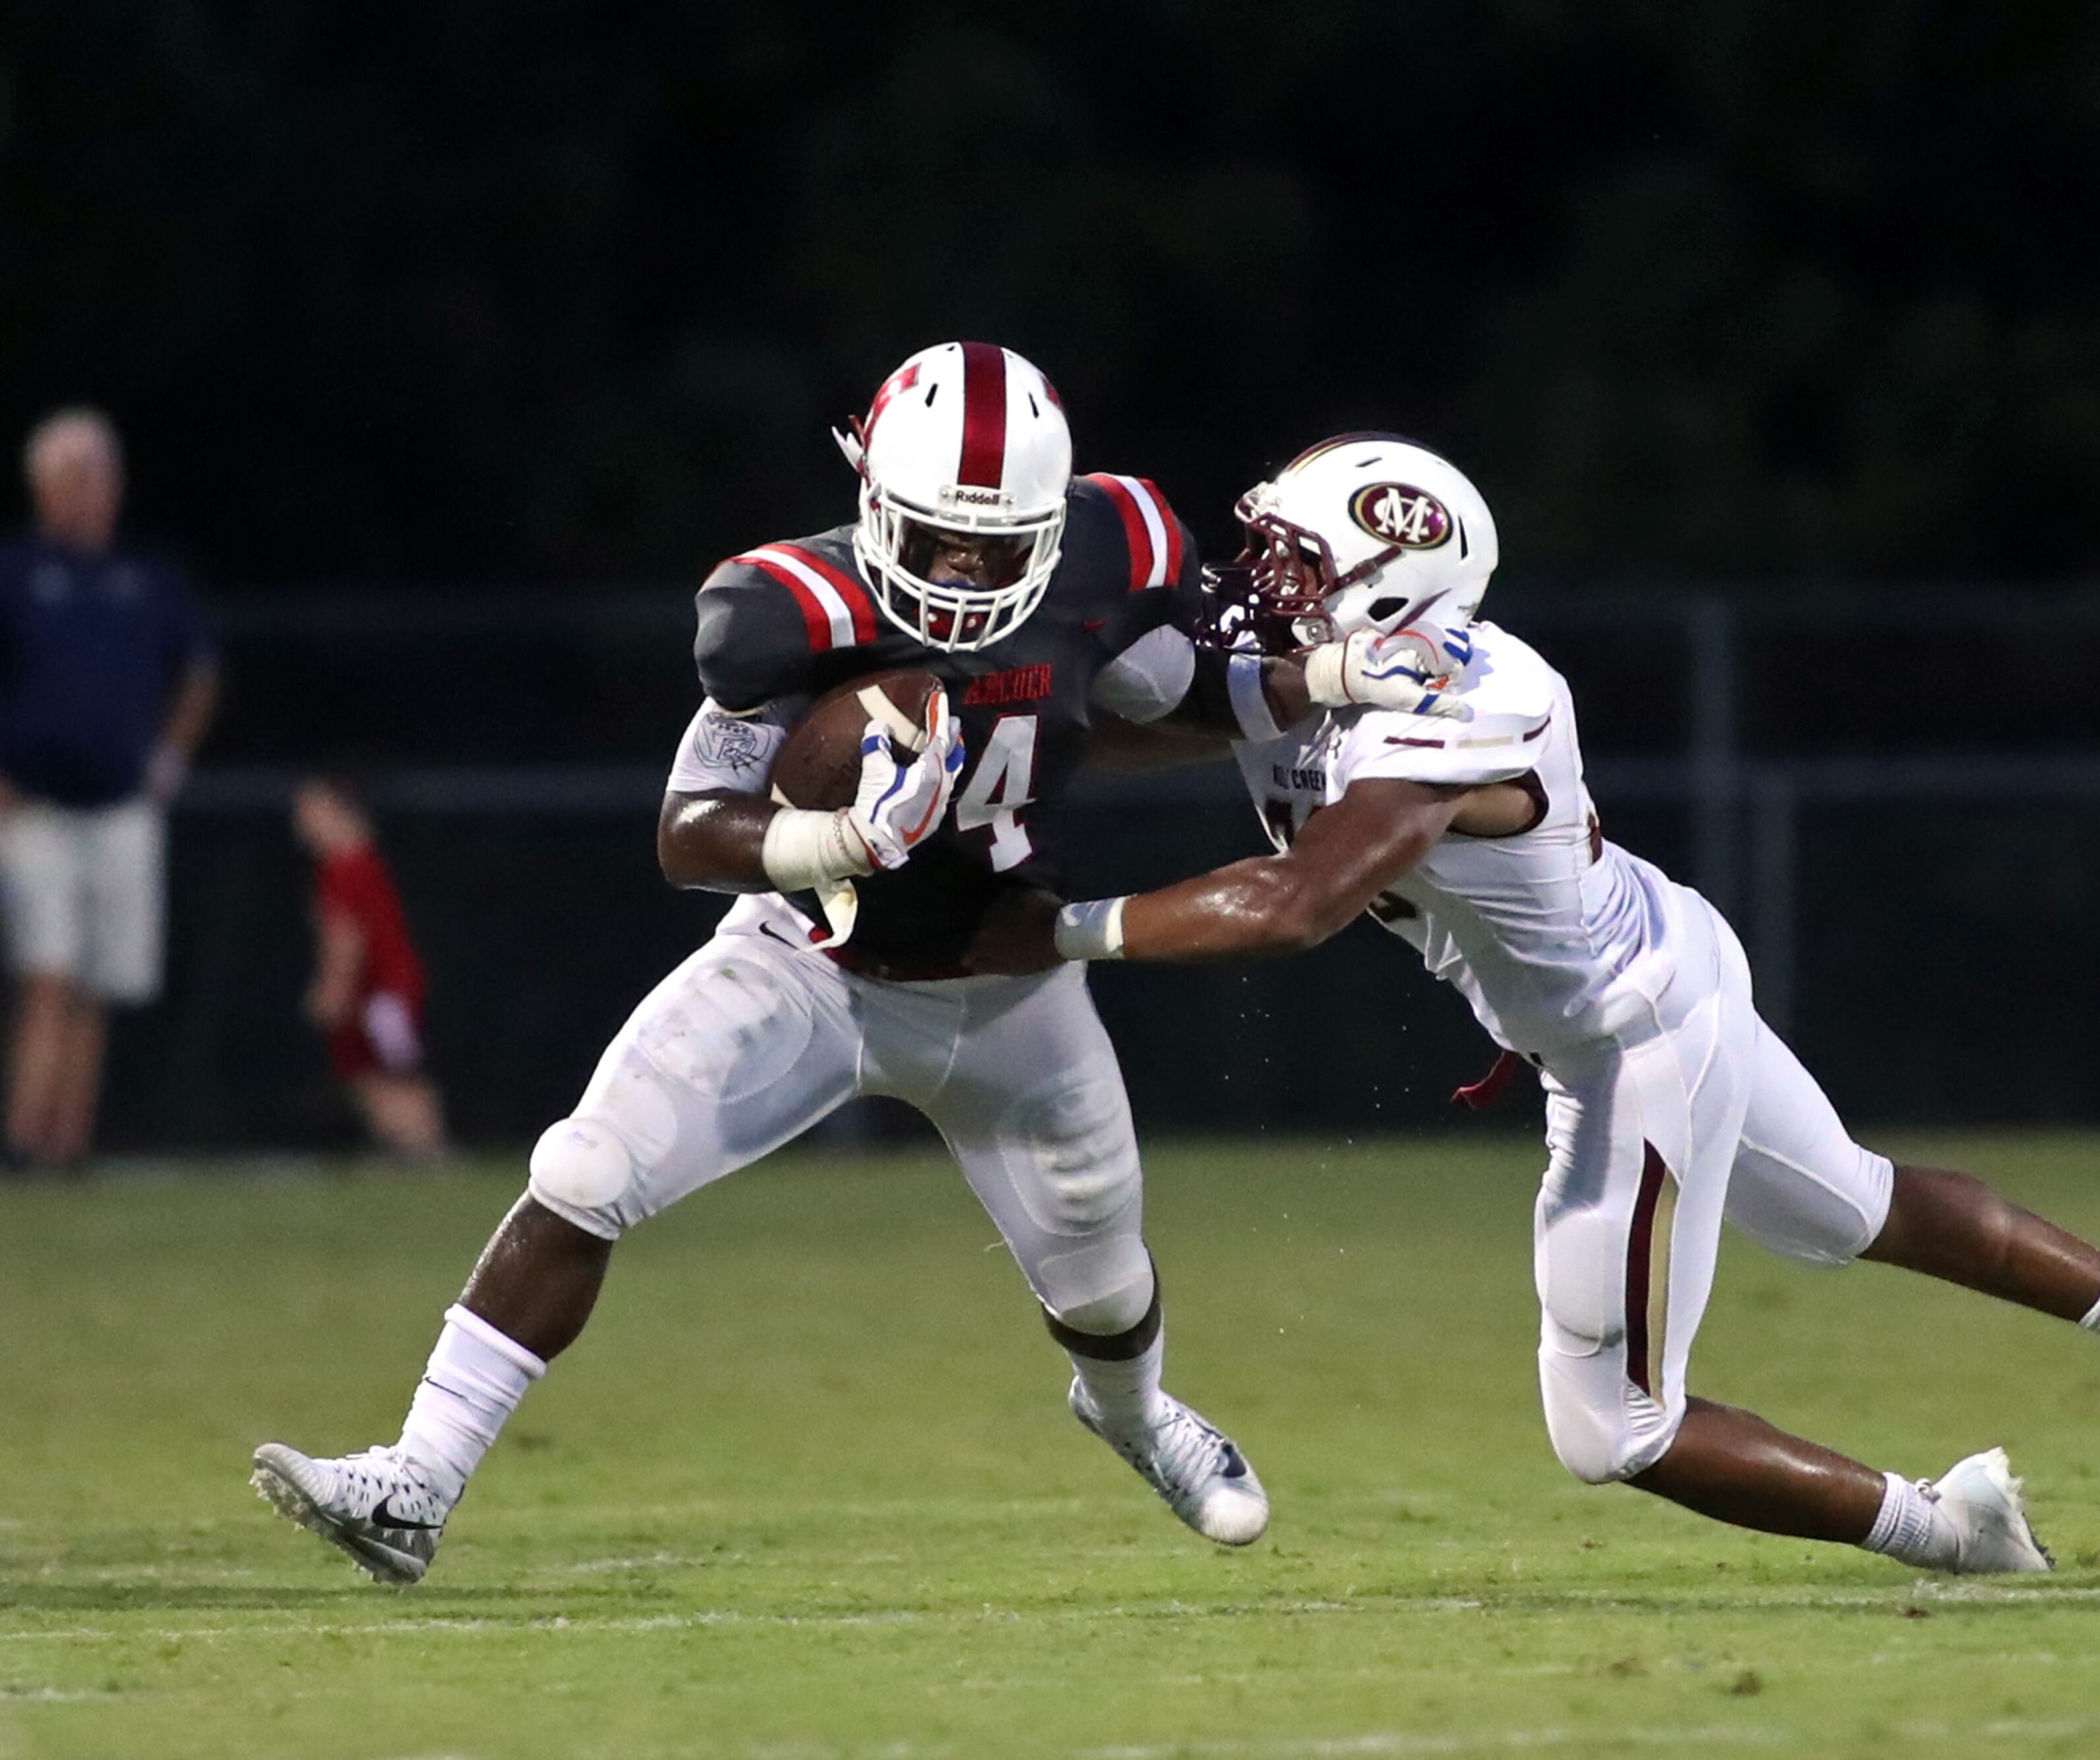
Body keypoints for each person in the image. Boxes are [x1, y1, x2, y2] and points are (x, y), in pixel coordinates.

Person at [966, 434, 2100, 1574]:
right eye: (1266, 549)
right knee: (1852, 1204)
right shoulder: (1339, 668)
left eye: (1297, 568)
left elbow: (1297, 902)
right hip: (1662, 959)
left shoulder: (1461, 705)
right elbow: (1167, 714)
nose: (1256, 585)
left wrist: (1053, 928)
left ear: (1393, 594)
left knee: (1612, 1426)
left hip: (1633, 1042)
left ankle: (1954, 1529)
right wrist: (1026, 727)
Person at [249, 345, 1466, 1585]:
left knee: (1102, 1289)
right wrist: (825, 838)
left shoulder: (1114, 548)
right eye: (938, 540)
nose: (964, 574)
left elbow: (1173, 693)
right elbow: (687, 828)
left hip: (1012, 981)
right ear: (875, 498)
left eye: (998, 548)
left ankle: (1137, 1412)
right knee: (586, 1166)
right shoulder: (788, 606)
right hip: (812, 962)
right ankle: (419, 1476)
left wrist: (1321, 675)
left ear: (1053, 524)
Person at [0, 408, 220, 1171]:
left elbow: (197, 670)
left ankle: (68, 1147)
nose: (92, 492)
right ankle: (24, 1140)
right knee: (49, 972)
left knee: (101, 982)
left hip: (123, 806)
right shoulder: (17, 574)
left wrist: (167, 764)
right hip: (36, 809)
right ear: (43, 486)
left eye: (100, 476)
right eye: (74, 477)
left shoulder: (146, 578)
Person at [292, 774, 447, 1159]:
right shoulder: (362, 863)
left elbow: (347, 937)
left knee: (393, 1076)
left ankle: (426, 1151)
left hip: (382, 993)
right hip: (378, 991)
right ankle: (409, 1150)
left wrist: (334, 986)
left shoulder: (345, 869)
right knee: (373, 1075)